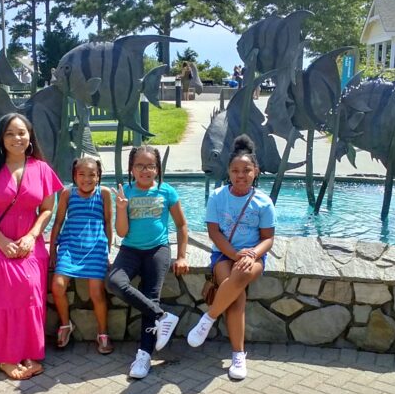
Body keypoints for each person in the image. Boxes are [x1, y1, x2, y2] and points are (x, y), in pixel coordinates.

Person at [0, 113, 63, 380]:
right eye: (9, 133)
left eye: (21, 133)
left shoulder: (41, 169)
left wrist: (32, 236)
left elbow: (47, 209)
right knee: (5, 290)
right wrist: (1, 241)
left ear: (30, 136)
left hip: (28, 241)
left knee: (30, 290)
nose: (16, 138)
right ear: (1, 138)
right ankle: (5, 356)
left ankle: (28, 349)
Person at [187, 135, 275, 381]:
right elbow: (214, 232)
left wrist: (252, 254)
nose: (241, 175)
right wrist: (236, 254)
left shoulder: (263, 202)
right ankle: (238, 354)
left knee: (244, 273)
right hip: (224, 255)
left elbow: (268, 238)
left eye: (246, 170)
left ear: (255, 171)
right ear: (228, 171)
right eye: (236, 170)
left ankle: (209, 318)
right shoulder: (217, 197)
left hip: (253, 257)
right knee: (236, 298)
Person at [108, 145, 189, 380]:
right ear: (132, 169)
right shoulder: (127, 193)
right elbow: (121, 232)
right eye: (140, 166)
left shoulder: (167, 191)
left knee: (150, 296)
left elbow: (182, 225)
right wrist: (122, 208)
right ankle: (164, 317)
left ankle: (144, 355)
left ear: (157, 168)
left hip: (157, 250)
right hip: (130, 250)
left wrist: (182, 255)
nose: (146, 170)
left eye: (150, 165)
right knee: (114, 281)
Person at [49, 156, 114, 355]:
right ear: (74, 176)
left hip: (95, 247)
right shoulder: (67, 193)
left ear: (99, 176)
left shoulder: (103, 193)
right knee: (57, 286)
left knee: (96, 293)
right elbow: (58, 222)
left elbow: (108, 222)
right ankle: (65, 325)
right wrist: (53, 249)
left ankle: (103, 333)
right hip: (70, 246)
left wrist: (108, 250)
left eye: (92, 175)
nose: (87, 179)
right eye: (82, 174)